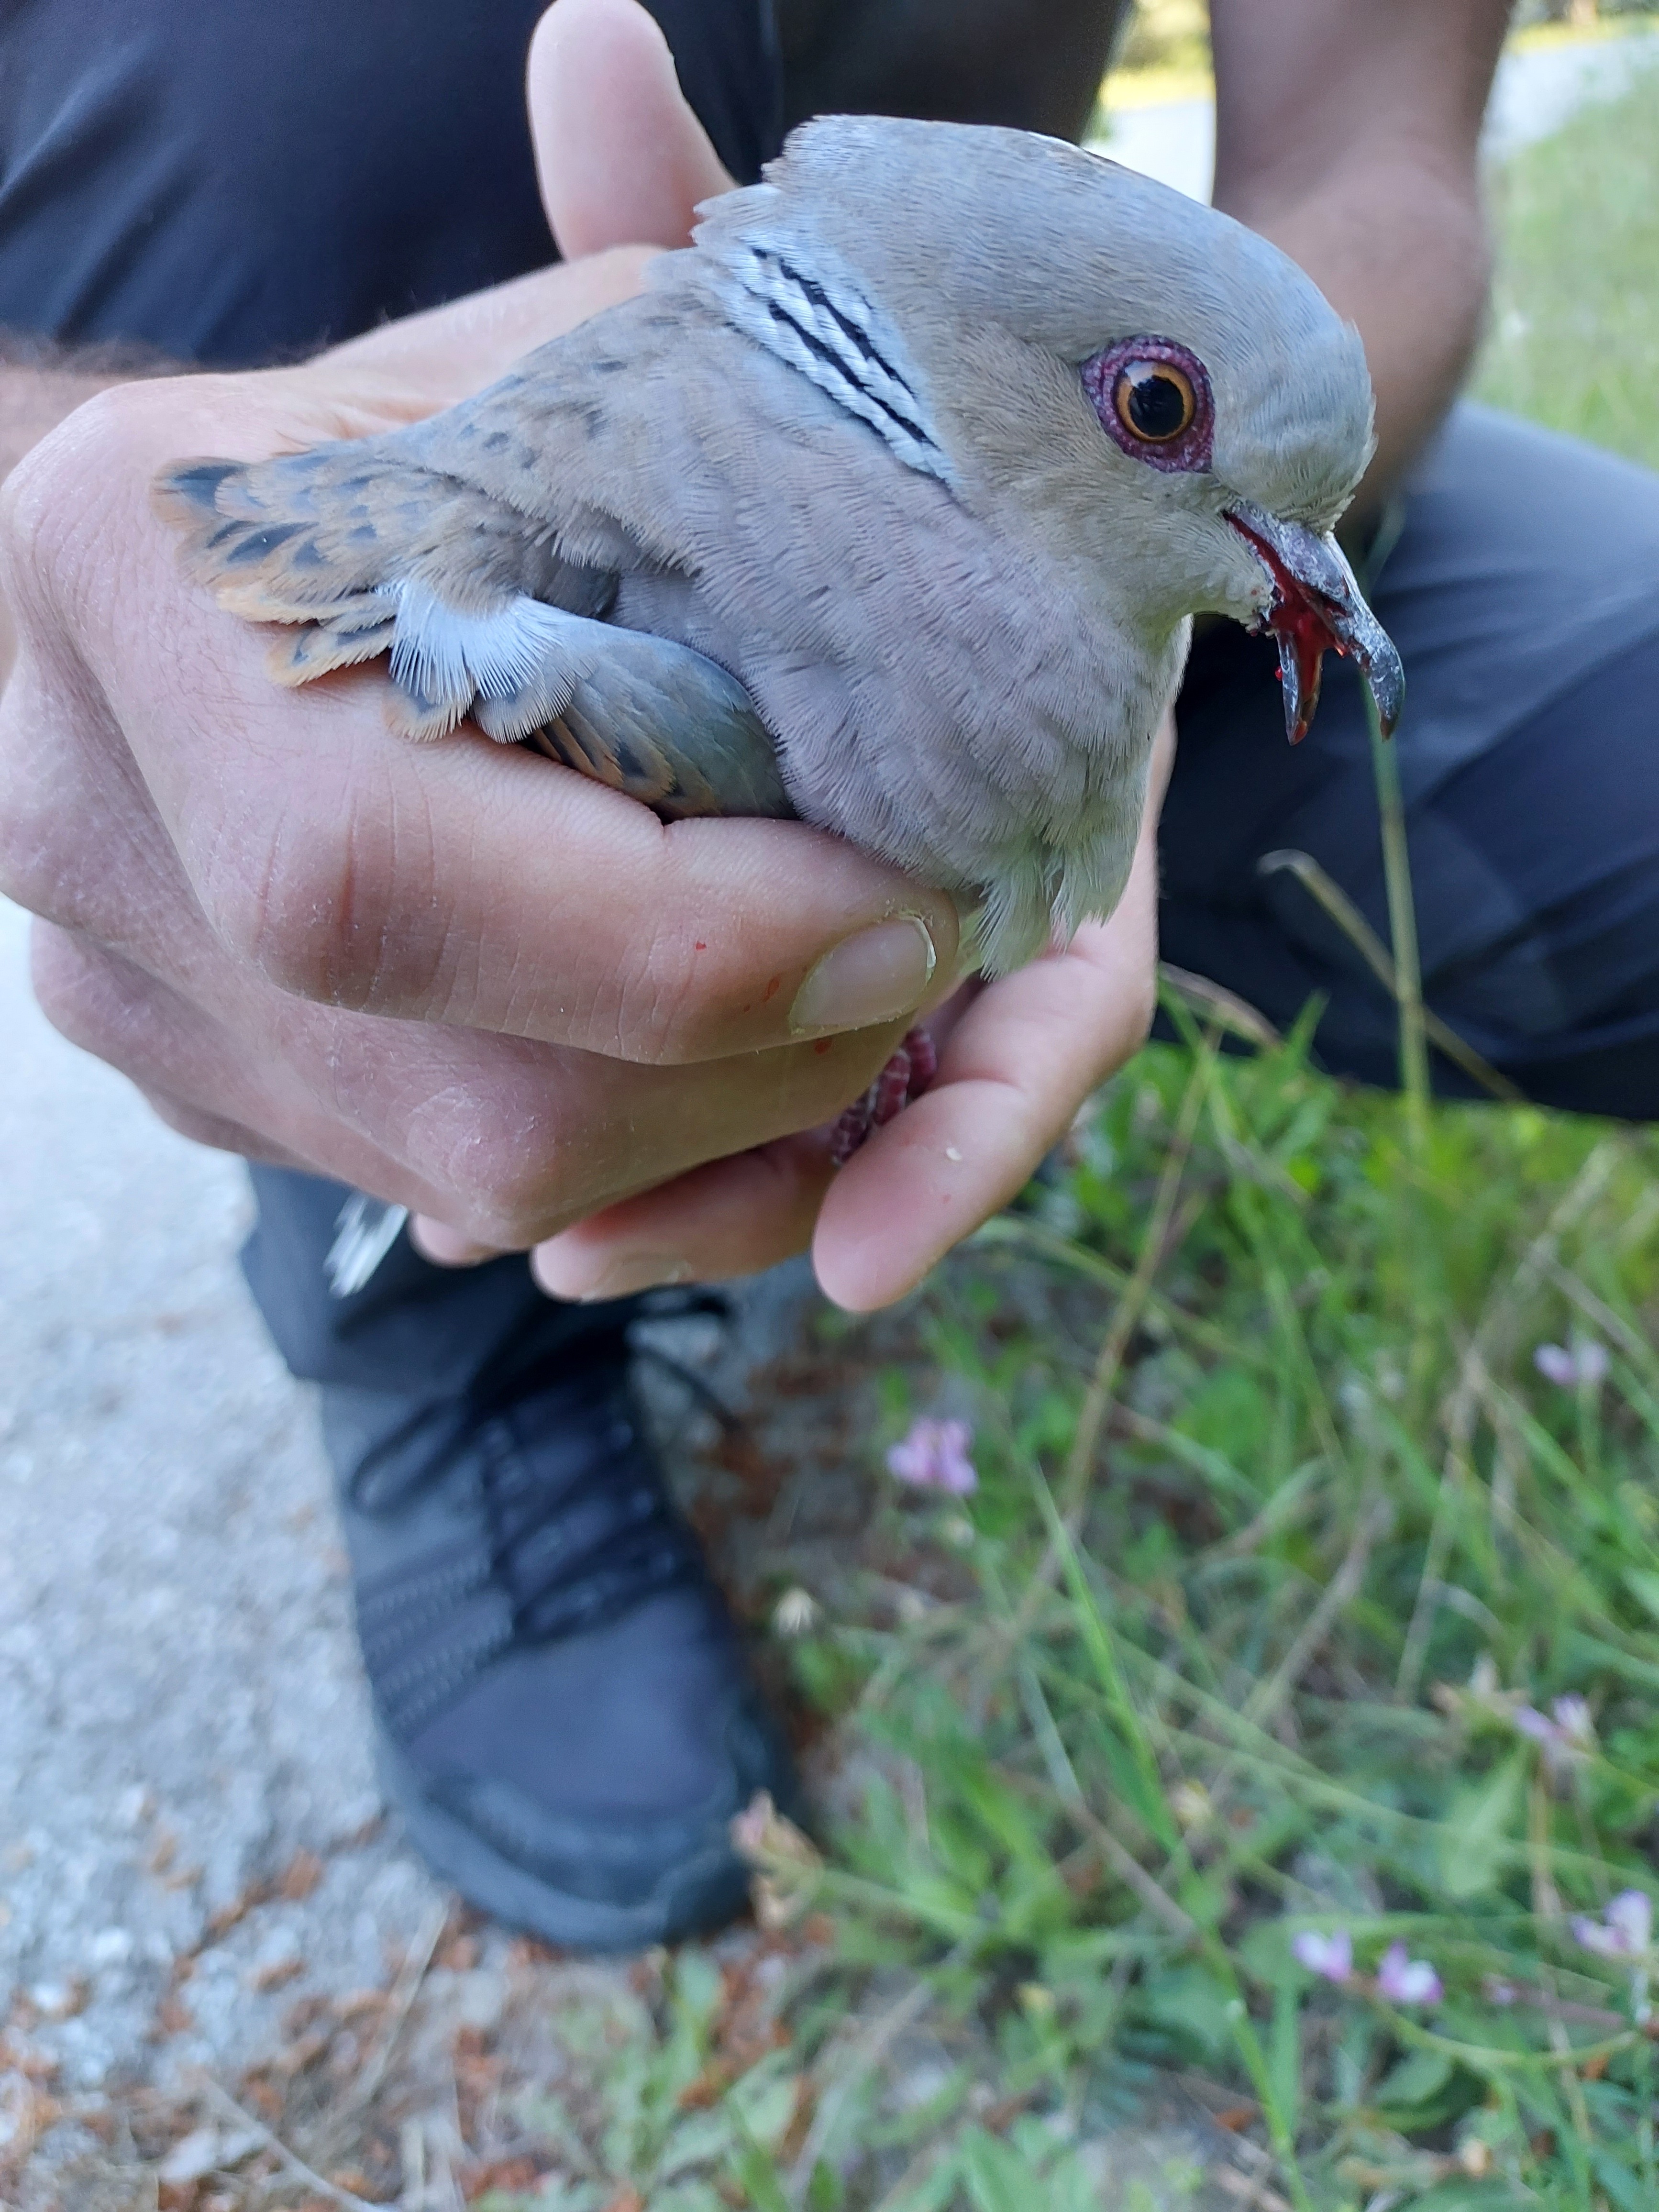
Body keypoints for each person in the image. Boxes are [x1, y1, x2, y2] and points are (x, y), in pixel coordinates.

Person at [0, 0, 1656, 1948]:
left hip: (1130, 563)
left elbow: (1371, 156)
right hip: (345, 483)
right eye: (1160, 404)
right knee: (376, 928)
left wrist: (1223, 515)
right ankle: (434, 1333)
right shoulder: (651, 517)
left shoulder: (1175, 476)